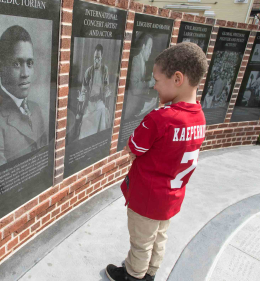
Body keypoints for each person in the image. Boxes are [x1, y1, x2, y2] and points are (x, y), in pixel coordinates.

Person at [105, 42, 208, 281]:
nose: (154, 85)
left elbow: (134, 147)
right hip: (171, 198)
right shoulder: (199, 116)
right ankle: (150, 273)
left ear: (177, 78)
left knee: (141, 242)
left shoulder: (160, 118)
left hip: (147, 198)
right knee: (159, 237)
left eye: (158, 80)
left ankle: (134, 275)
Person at [0, 25, 47, 172]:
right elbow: (0, 184)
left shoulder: (36, 109)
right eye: (17, 64)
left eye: (30, 63)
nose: (25, 73)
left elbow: (45, 160)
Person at [75, 44, 111, 140]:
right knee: (85, 125)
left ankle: (99, 143)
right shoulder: (88, 72)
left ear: (101, 58)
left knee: (103, 115)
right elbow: (83, 89)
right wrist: (81, 98)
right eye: (95, 57)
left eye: (98, 58)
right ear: (93, 57)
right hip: (89, 103)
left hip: (99, 102)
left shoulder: (105, 70)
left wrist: (107, 91)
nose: (96, 60)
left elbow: (107, 86)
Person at [123, 33, 156, 120]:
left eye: (151, 49)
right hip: (130, 109)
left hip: (136, 106)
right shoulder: (136, 60)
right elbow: (134, 88)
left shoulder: (143, 64)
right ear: (143, 47)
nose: (150, 52)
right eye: (149, 48)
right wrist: (149, 83)